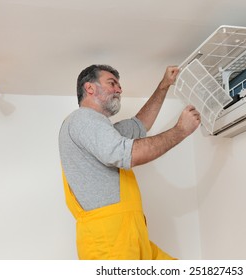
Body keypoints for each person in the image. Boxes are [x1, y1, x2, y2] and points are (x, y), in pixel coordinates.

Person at [59, 64, 200, 260]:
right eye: (112, 83)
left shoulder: (102, 130)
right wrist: (180, 131)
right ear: (90, 88)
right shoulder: (83, 119)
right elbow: (127, 153)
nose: (119, 89)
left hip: (128, 235)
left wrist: (164, 85)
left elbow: (140, 125)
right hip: (110, 242)